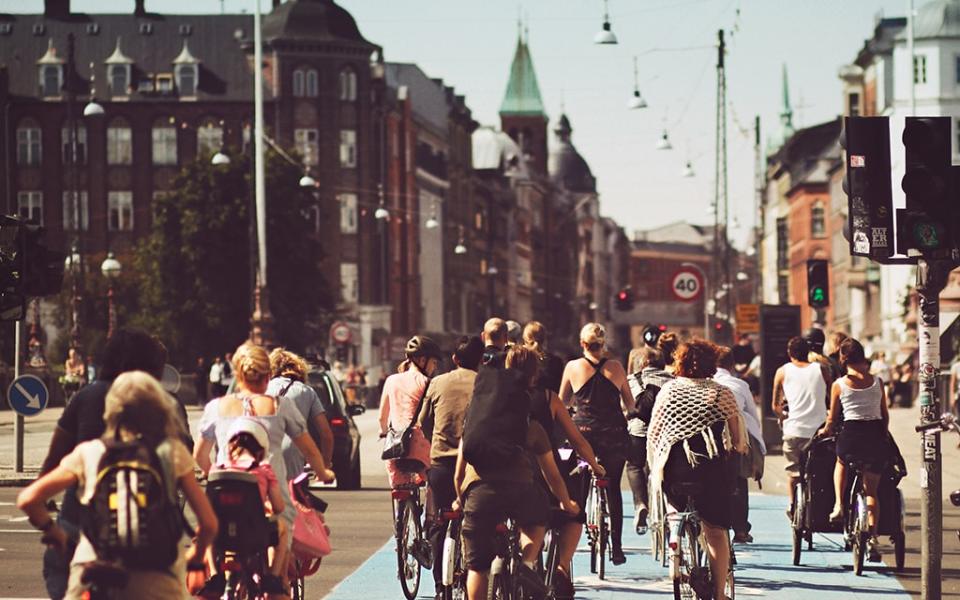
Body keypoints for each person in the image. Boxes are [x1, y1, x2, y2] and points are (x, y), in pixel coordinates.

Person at [18, 371, 218, 600]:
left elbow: (28, 500)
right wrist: (196, 554)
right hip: (156, 576)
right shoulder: (171, 453)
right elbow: (209, 524)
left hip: (95, 571)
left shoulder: (90, 452)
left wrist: (54, 532)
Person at [38, 329, 175, 600]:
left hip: (79, 523)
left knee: (59, 569)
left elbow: (53, 461)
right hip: (143, 536)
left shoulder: (85, 398)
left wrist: (47, 525)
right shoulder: (166, 406)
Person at [195, 343, 334, 596]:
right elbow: (311, 449)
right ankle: (274, 577)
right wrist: (324, 472)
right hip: (267, 496)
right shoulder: (280, 406)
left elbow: (200, 455)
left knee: (212, 529)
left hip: (223, 492)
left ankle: (216, 576)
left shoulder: (216, 407)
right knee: (282, 524)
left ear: (237, 375)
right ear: (268, 376)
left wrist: (215, 474)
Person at [454, 345, 580, 600]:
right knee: (536, 522)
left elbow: (459, 472)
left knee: (477, 567)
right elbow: (551, 475)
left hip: (479, 493)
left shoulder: (476, 420)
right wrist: (567, 503)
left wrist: (461, 497)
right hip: (519, 490)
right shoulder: (531, 427)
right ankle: (525, 564)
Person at [647, 340, 748, 600]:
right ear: (711, 363)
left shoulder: (669, 391)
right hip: (710, 471)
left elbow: (655, 434)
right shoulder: (721, 393)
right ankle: (718, 592)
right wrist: (733, 450)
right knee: (715, 531)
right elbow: (738, 441)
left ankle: (674, 538)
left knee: (674, 503)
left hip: (675, 472)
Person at [560, 323, 636, 565]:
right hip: (614, 435)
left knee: (579, 489)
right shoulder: (616, 367)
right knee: (613, 488)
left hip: (583, 436)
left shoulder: (573, 367)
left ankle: (571, 543)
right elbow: (630, 403)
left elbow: (562, 401)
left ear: (583, 344)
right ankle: (617, 548)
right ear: (603, 345)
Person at [417, 335, 484, 599]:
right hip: (475, 464)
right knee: (479, 520)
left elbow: (423, 423)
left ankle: (438, 586)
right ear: (482, 361)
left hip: (442, 462)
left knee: (438, 521)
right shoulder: (484, 383)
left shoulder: (437, 382)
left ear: (455, 359)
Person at [818, 337, 891, 562]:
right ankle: (873, 537)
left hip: (851, 436)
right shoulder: (878, 382)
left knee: (840, 462)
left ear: (843, 358)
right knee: (872, 492)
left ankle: (839, 505)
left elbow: (832, 419)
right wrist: (882, 433)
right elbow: (885, 415)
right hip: (875, 437)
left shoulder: (839, 385)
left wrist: (826, 431)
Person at [199, 417, 288, 597]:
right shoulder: (263, 470)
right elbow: (278, 507)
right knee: (284, 529)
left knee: (204, 527)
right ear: (261, 447)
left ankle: (216, 575)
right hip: (255, 533)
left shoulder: (217, 469)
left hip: (220, 534)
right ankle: (272, 576)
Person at [772, 336, 830, 517]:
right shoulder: (822, 369)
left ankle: (792, 506)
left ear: (790, 353)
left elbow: (775, 405)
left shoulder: (782, 372)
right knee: (819, 471)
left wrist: (782, 416)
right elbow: (831, 393)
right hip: (819, 432)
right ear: (808, 352)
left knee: (794, 473)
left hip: (793, 430)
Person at [715, 346, 766, 544]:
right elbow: (753, 416)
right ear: (731, 364)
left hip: (709, 442)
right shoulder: (739, 385)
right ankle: (741, 529)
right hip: (735, 442)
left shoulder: (706, 384)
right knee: (738, 480)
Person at [378, 336, 444, 489]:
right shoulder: (428, 383)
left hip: (396, 446)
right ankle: (430, 512)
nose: (434, 367)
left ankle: (400, 508)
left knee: (399, 484)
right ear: (422, 361)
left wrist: (383, 432)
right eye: (433, 363)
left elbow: (382, 417)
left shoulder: (391, 380)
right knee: (433, 483)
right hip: (422, 444)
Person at [625, 345, 672, 538]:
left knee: (634, 465)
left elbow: (624, 406)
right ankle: (670, 511)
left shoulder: (631, 381)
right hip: (664, 435)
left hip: (638, 431)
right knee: (666, 470)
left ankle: (640, 504)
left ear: (643, 363)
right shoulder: (672, 381)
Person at [267, 348, 335, 478]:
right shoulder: (306, 391)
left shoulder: (264, 388)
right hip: (292, 455)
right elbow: (326, 434)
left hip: (264, 453)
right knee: (293, 494)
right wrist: (324, 465)